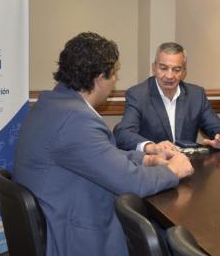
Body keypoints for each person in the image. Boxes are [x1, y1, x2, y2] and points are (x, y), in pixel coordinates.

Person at [13, 32, 193, 256]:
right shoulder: (76, 120)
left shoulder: (52, 104)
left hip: (59, 210)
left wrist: (147, 159)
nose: (115, 80)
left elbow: (102, 155)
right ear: (100, 78)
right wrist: (173, 171)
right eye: (114, 73)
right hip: (73, 234)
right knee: (159, 238)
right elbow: (133, 183)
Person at [114, 42, 220, 154]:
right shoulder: (138, 94)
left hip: (188, 165)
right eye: (163, 68)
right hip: (153, 167)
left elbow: (218, 127)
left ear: (184, 72)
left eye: (176, 70)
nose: (169, 75)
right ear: (154, 68)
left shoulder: (196, 95)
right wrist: (150, 147)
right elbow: (123, 133)